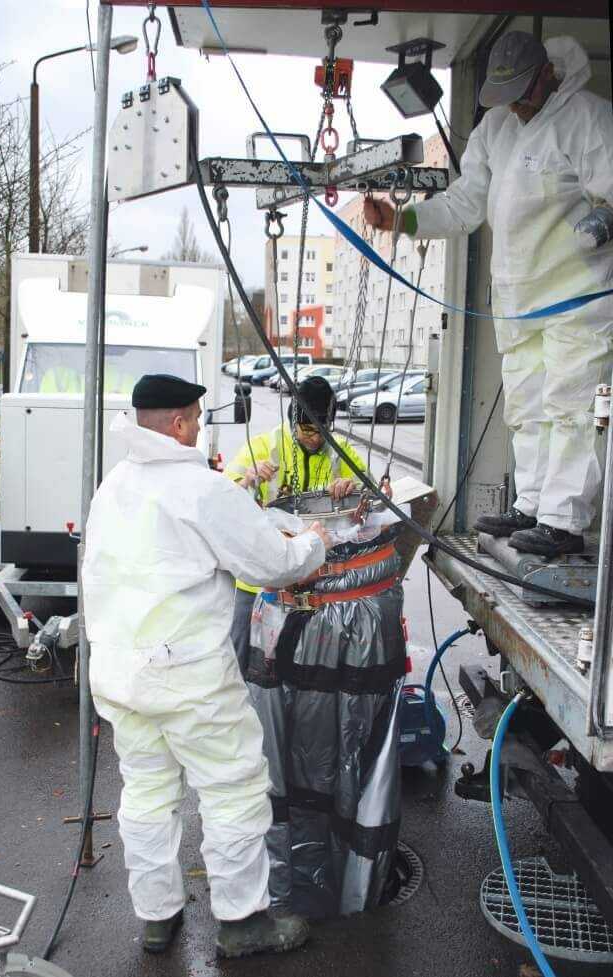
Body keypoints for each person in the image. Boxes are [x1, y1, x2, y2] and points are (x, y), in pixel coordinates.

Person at [82, 373, 332, 959]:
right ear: (177, 424)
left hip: (120, 675)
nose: (200, 425)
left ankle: (156, 915)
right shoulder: (199, 489)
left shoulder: (113, 484)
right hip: (186, 677)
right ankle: (243, 923)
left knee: (146, 793)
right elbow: (272, 561)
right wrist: (313, 542)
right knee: (233, 791)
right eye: (195, 416)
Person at [365, 32, 613, 558]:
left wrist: (603, 220)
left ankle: (563, 522)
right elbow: (463, 205)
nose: (517, 105)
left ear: (545, 74)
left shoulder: (587, 118)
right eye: (507, 96)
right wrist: (405, 218)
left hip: (577, 297)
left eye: (523, 92)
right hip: (518, 302)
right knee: (526, 407)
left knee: (568, 407)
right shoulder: (496, 128)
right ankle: (532, 505)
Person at [223, 375, 366, 675]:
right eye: (307, 429)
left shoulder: (339, 451)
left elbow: (374, 495)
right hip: (260, 580)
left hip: (315, 581)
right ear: (293, 422)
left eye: (321, 430)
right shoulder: (264, 446)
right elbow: (222, 497)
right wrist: (248, 478)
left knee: (305, 663)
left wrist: (353, 487)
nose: (314, 437)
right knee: (241, 657)